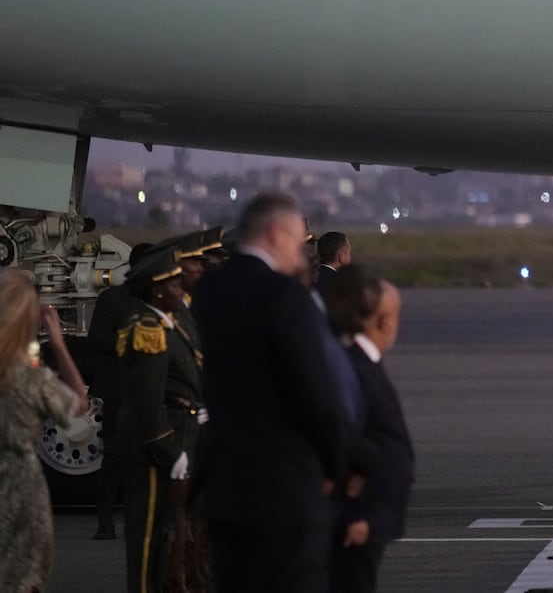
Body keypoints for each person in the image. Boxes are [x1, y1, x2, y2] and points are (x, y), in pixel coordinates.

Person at [191, 192, 346, 593]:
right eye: (299, 240)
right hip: (284, 489)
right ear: (277, 232)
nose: (302, 249)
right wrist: (339, 464)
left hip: (226, 486)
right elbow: (315, 390)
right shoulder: (287, 297)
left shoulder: (211, 291)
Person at [115, 248, 204, 593]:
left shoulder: (171, 323)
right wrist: (168, 450)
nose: (182, 288)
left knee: (169, 540)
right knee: (148, 542)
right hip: (151, 451)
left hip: (177, 440)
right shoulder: (147, 327)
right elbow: (146, 401)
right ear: (156, 290)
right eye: (174, 283)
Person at [323, 267, 415, 593]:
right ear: (382, 320)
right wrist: (354, 514)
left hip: (373, 516)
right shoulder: (356, 367)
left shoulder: (365, 363)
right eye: (395, 315)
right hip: (360, 518)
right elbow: (343, 445)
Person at [0, 270, 91, 593]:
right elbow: (79, 405)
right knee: (23, 576)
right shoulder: (32, 380)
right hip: (22, 486)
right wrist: (59, 345)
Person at [84, 240, 154, 540]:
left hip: (151, 391)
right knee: (113, 458)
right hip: (120, 391)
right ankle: (105, 521)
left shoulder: (159, 301)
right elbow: (98, 337)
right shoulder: (113, 299)